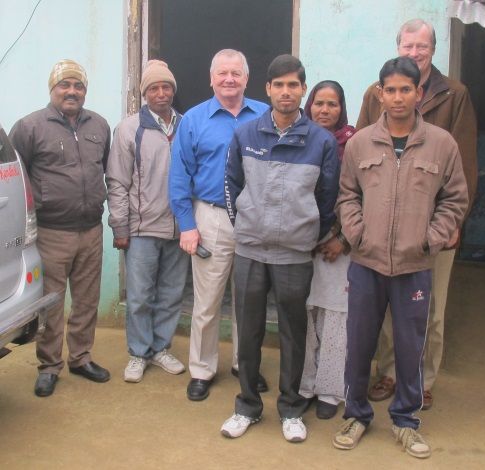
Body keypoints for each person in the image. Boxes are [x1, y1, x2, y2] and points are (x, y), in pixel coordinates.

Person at [333, 57, 468, 458]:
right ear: (380, 94)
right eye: (389, 90)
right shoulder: (360, 144)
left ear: (418, 94)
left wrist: (431, 239)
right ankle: (356, 414)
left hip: (415, 265)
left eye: (405, 90)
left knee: (411, 346)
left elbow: (455, 199)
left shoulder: (442, 144)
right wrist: (357, 234)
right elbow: (346, 195)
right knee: (359, 343)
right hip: (366, 264)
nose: (397, 97)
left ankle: (406, 421)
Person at [357, 19, 478, 409]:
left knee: (431, 307)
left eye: (421, 47)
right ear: (398, 46)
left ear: (433, 49)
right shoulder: (375, 94)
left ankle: (423, 378)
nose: (414, 53)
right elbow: (356, 160)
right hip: (383, 224)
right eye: (408, 46)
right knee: (390, 308)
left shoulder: (454, 95)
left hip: (433, 224)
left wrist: (453, 223)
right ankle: (390, 373)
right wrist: (357, 224)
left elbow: (465, 166)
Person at [220, 55, 340, 443]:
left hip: (294, 254)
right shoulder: (247, 134)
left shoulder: (321, 141)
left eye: (293, 85)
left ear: (302, 89)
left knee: (292, 332)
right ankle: (247, 406)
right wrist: (247, 226)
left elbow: (327, 198)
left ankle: (290, 409)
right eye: (279, 85)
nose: (286, 92)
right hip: (251, 251)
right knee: (249, 331)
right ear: (268, 89)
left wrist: (306, 234)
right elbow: (231, 185)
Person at [169, 49, 269, 401]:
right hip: (209, 217)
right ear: (212, 79)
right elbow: (179, 175)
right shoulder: (194, 120)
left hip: (254, 219)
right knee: (208, 302)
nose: (229, 79)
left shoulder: (265, 116)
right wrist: (187, 225)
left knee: (249, 300)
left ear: (246, 78)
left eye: (236, 73)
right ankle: (202, 369)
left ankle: (246, 365)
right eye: (222, 73)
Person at [9, 59, 111, 397]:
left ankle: (81, 358)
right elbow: (16, 177)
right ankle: (49, 365)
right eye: (64, 85)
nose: (71, 91)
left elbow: (104, 169)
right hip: (52, 232)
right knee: (52, 303)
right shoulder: (29, 127)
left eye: (78, 85)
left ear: (85, 90)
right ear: (51, 89)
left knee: (86, 300)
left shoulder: (100, 125)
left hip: (91, 230)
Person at [106, 60, 189, 383]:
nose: (161, 93)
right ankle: (139, 353)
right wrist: (120, 226)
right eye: (153, 88)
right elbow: (117, 181)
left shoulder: (186, 125)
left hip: (179, 227)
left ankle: (160, 348)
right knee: (140, 296)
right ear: (144, 93)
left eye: (166, 87)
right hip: (141, 228)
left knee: (171, 293)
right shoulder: (129, 128)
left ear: (173, 90)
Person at [298, 80, 355, 419]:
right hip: (300, 244)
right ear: (310, 106)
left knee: (336, 317)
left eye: (332, 104)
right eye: (319, 103)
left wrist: (342, 237)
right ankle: (305, 384)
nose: (324, 110)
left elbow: (360, 196)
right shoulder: (298, 140)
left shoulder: (355, 144)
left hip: (337, 246)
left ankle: (331, 390)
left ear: (341, 109)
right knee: (304, 316)